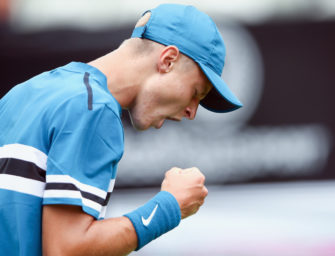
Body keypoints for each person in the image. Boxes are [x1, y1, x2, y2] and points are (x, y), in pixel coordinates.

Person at [0, 3, 242, 256]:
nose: (192, 112)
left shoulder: (21, 94)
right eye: (196, 93)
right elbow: (66, 248)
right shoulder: (94, 107)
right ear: (168, 60)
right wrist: (169, 207)